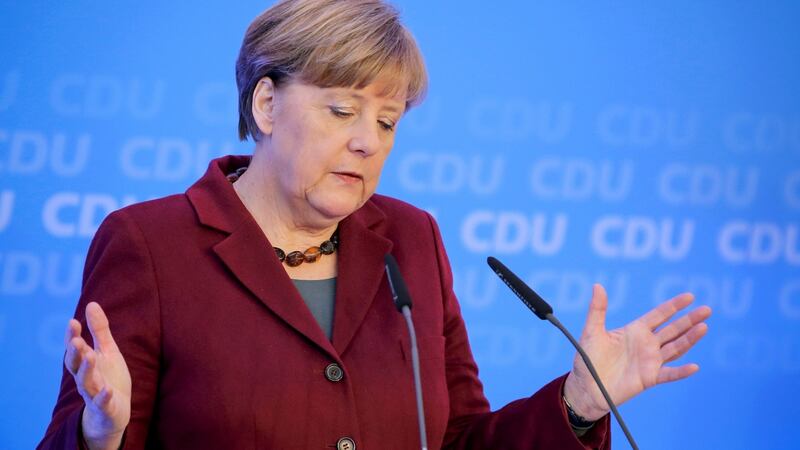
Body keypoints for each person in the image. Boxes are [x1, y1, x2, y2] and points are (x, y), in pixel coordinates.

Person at [38, 1, 712, 449]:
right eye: (342, 111)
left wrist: (576, 404)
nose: (369, 142)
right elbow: (79, 430)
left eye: (387, 122)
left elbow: (457, 442)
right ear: (267, 104)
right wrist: (103, 434)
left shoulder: (411, 239)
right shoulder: (151, 245)